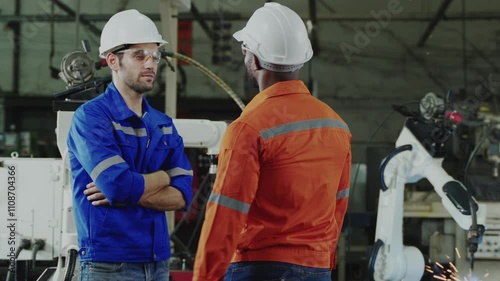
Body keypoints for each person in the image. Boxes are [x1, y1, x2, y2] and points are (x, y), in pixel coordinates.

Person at [193, 2, 352, 281]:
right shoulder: (336, 125)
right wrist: (321, 260)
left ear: (253, 58)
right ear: (301, 59)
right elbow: (338, 205)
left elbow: (225, 215)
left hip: (259, 268)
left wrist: (204, 277)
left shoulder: (248, 128)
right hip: (317, 269)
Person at [66, 9, 193, 281]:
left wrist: (125, 190)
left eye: (154, 55)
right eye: (139, 55)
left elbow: (182, 196)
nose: (150, 64)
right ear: (113, 60)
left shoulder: (163, 124)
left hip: (158, 261)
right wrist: (162, 177)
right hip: (108, 264)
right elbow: (117, 186)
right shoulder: (91, 117)